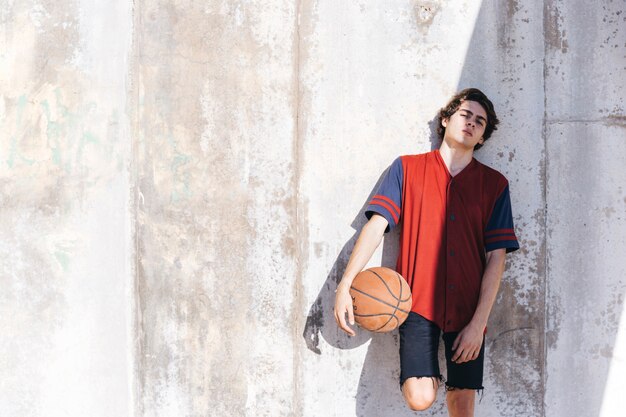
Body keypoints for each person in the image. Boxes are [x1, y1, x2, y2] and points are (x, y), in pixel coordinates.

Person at [334, 88, 520, 416]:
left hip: (467, 308)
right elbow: (376, 227)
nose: (472, 123)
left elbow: (497, 257)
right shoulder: (406, 169)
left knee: (462, 407)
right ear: (446, 119)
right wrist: (345, 285)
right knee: (419, 398)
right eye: (466, 114)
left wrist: (478, 324)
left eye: (480, 122)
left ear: (481, 138)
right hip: (415, 305)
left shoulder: (494, 185)